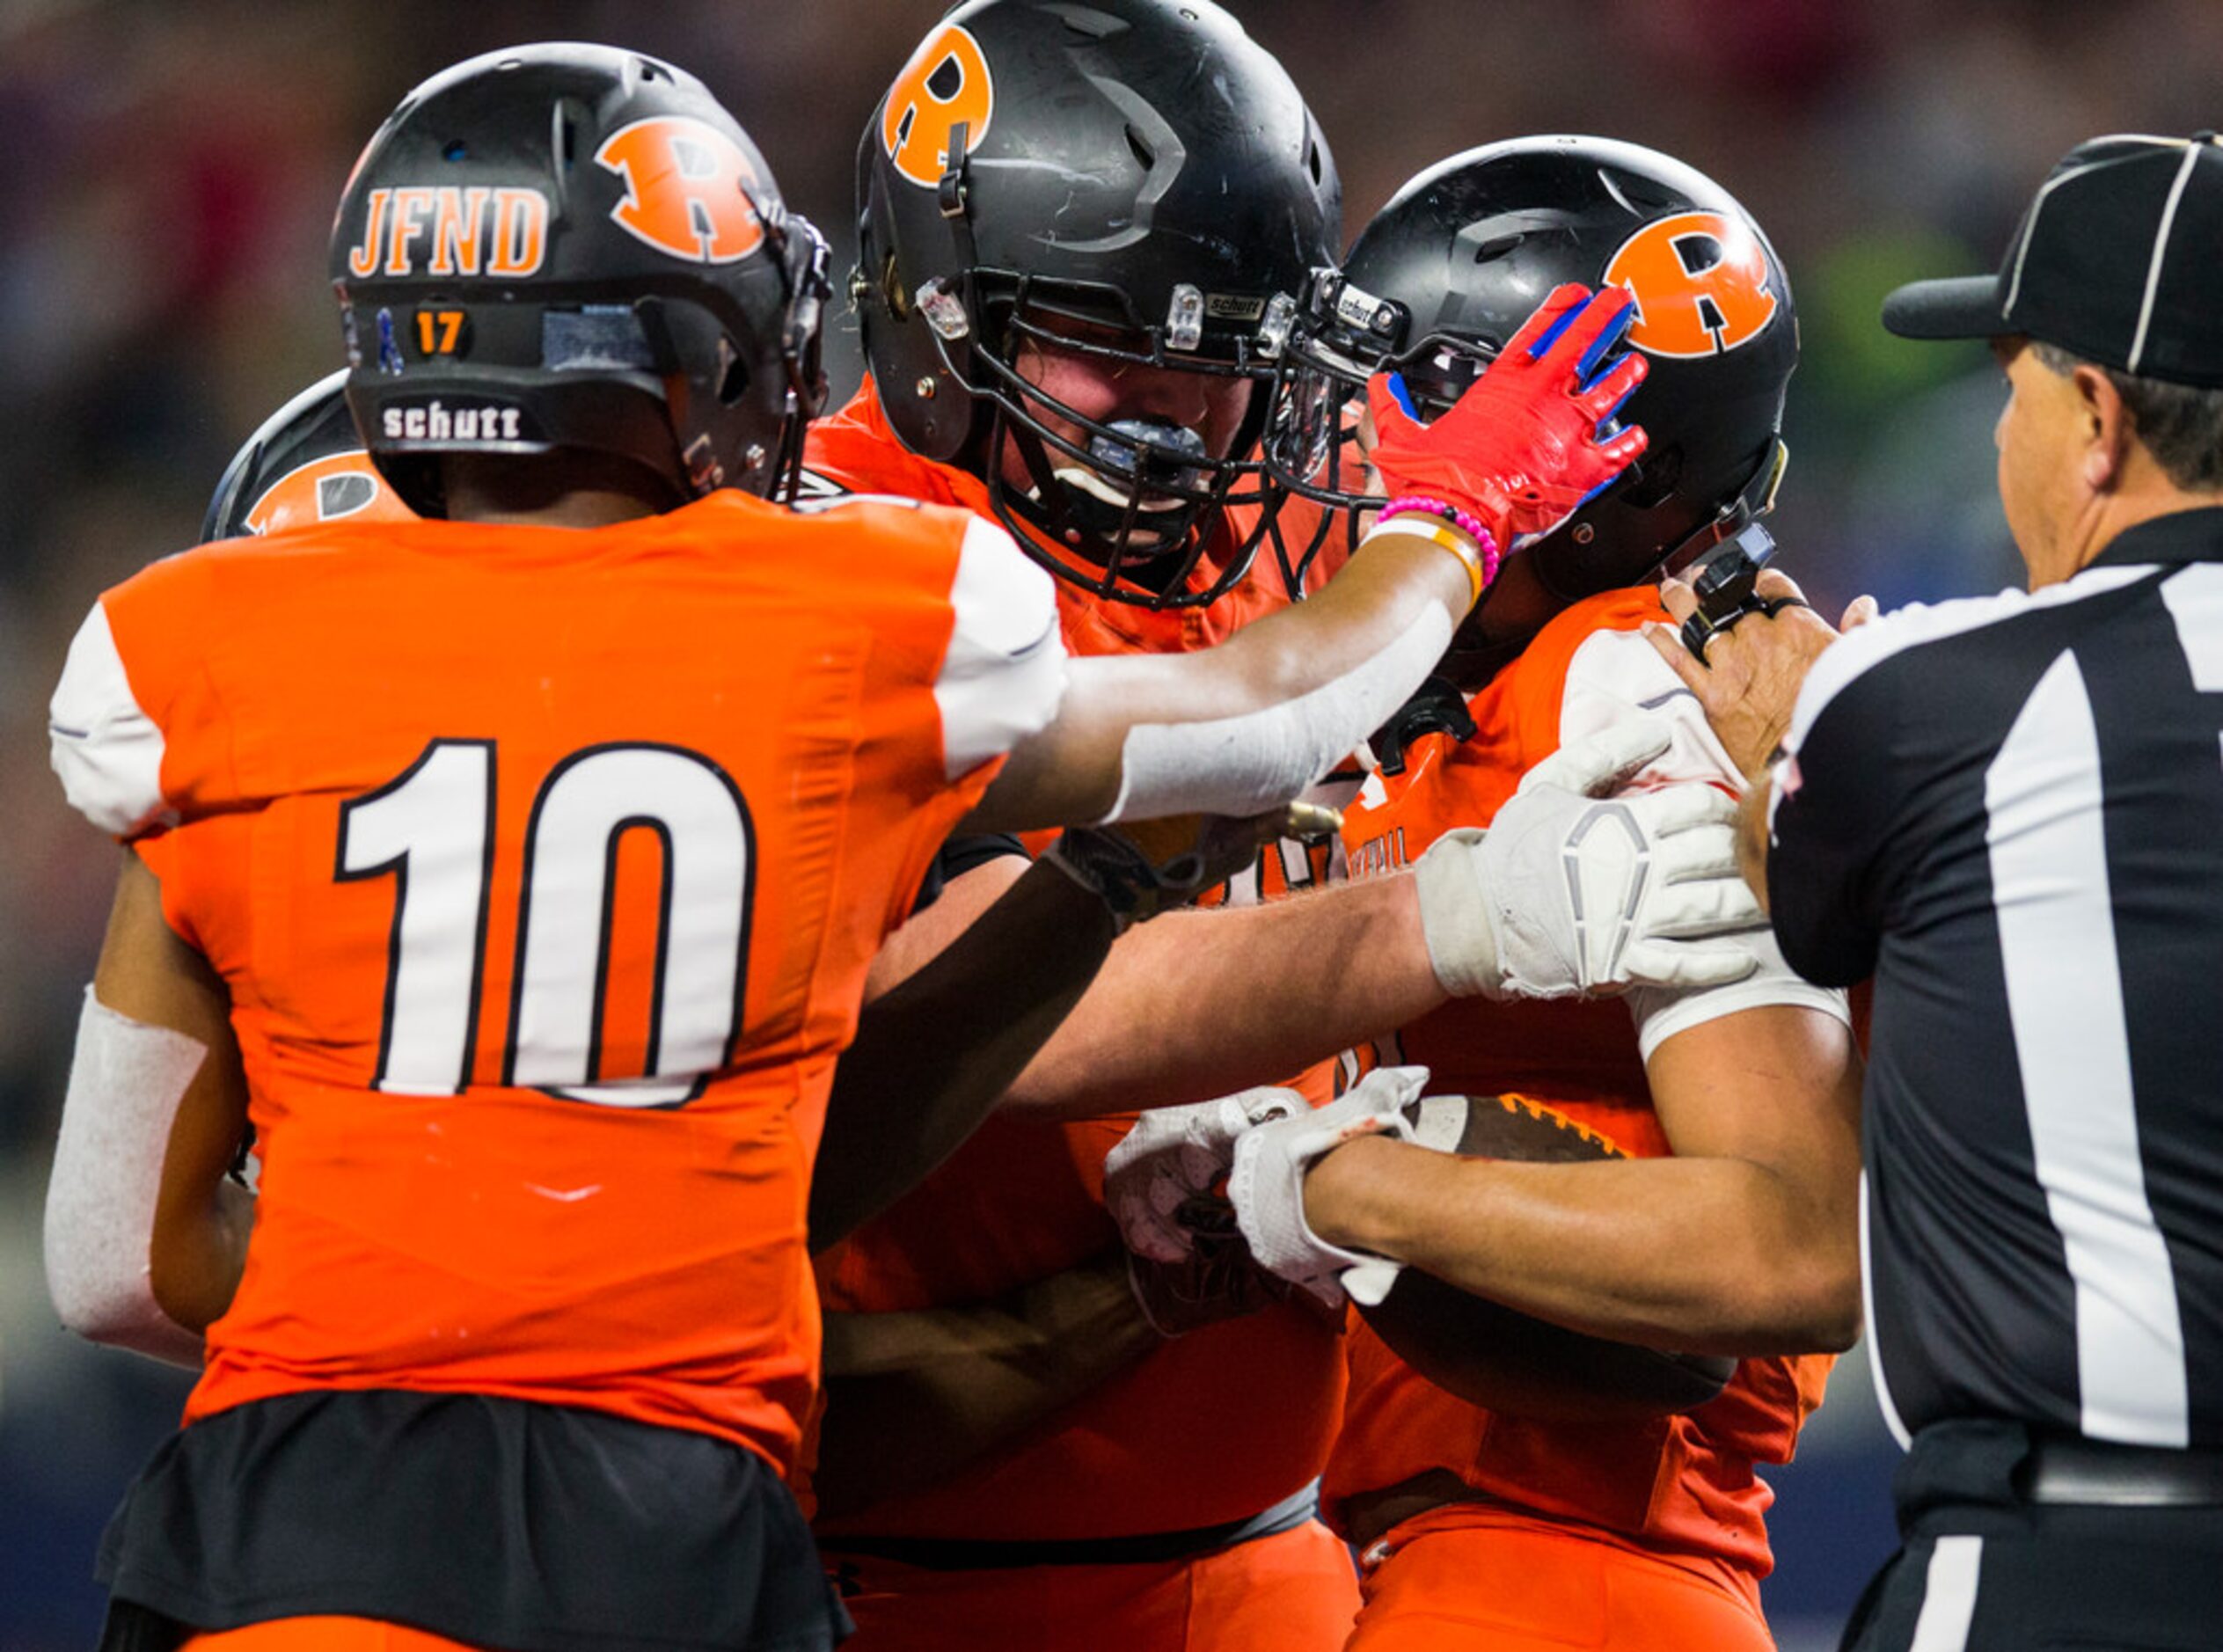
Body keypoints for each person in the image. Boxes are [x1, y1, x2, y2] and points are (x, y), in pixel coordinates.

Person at [38, 40, 1671, 1652]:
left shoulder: (182, 647)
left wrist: (401, 1277)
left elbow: (115, 1259)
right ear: (704, 350)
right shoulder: (834, 601)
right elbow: (1259, 722)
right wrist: (1456, 522)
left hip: (282, 1501)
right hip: (669, 1499)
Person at [1113, 137, 1864, 1652]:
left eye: (1395, 396)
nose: (1342, 441)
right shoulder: (1463, 697)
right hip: (1426, 1550)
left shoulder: (1630, 689)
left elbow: (1794, 1244)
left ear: (1592, 469)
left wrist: (1332, 1190)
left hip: (1561, 1562)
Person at [1643, 131, 2223, 1652]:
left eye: (2017, 381)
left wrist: (1798, 729)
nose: (1998, 430)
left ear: (2097, 417)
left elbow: (1812, 910)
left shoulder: (1922, 697)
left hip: (2077, 1558)